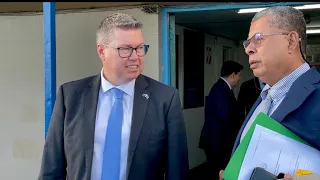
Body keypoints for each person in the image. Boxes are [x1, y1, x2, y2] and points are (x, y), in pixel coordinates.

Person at [38, 13, 189, 180]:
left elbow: (177, 171)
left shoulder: (165, 98)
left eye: (139, 48)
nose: (135, 56)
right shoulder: (70, 96)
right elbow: (51, 167)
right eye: (125, 49)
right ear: (102, 51)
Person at [219, 6, 320, 180]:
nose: (248, 49)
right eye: (247, 42)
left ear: (291, 41)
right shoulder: (265, 97)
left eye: (258, 39)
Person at [199, 60, 243, 179]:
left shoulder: (222, 87)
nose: (239, 79)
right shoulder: (221, 90)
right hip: (217, 142)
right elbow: (225, 116)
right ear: (233, 74)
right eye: (239, 75)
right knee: (217, 172)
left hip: (217, 141)